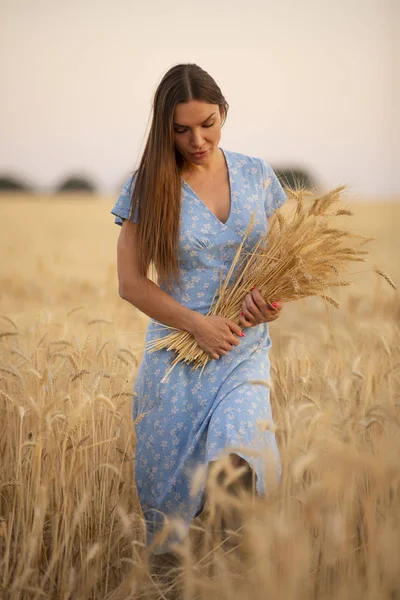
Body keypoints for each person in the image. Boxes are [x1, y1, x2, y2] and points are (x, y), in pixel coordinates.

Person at [111, 63, 286, 554]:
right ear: (164, 128)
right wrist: (197, 324)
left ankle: (233, 586)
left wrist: (270, 301)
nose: (197, 139)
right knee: (170, 530)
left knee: (239, 474)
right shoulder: (149, 185)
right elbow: (130, 284)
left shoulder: (256, 175)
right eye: (181, 129)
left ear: (223, 112)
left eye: (208, 123)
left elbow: (284, 266)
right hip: (177, 362)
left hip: (242, 354)